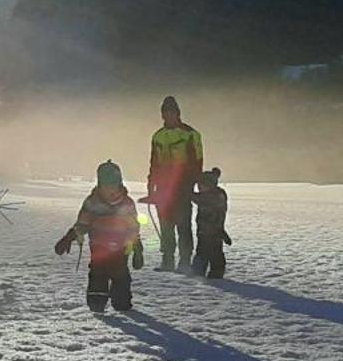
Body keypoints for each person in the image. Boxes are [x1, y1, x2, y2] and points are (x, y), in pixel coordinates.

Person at [52, 160, 145, 312]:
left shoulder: (126, 203)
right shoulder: (92, 202)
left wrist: (137, 247)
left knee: (120, 273)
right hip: (99, 246)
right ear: (99, 185)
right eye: (106, 186)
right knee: (98, 273)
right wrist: (69, 237)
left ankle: (121, 302)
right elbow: (83, 223)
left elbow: (133, 227)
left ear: (120, 184)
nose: (110, 191)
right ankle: (97, 302)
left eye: (113, 186)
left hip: (121, 247)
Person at [146, 95, 204, 273]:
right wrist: (151, 184)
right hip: (163, 186)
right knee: (166, 224)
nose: (168, 116)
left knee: (183, 223)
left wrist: (197, 184)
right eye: (165, 113)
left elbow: (198, 160)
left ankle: (185, 260)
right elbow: (154, 162)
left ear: (177, 113)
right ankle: (167, 259)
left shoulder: (190, 134)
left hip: (183, 185)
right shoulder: (157, 136)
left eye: (171, 112)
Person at [192, 167, 232, 279]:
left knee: (214, 255)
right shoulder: (212, 194)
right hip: (204, 231)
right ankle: (197, 275)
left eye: (202, 185)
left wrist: (185, 191)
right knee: (202, 253)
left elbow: (197, 198)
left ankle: (214, 277)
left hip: (213, 231)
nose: (199, 187)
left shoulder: (215, 195)